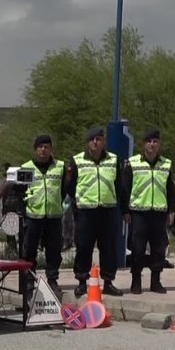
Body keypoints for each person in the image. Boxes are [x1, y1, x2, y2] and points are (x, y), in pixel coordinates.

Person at [64, 127, 126, 297]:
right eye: (92, 139)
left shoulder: (113, 160)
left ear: (103, 141)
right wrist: (78, 201)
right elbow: (69, 186)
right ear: (87, 142)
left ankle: (108, 282)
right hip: (86, 212)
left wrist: (122, 208)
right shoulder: (77, 160)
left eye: (98, 139)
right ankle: (82, 282)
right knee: (84, 247)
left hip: (107, 211)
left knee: (108, 247)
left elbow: (120, 185)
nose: (95, 142)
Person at [120, 129, 175, 294]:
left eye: (155, 142)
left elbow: (171, 190)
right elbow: (125, 189)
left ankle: (156, 281)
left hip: (159, 213)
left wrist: (171, 210)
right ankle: (136, 281)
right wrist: (125, 211)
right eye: (149, 142)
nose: (152, 145)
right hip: (139, 212)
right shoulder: (133, 164)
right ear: (143, 144)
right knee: (137, 248)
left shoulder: (166, 164)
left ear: (159, 145)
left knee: (159, 249)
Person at [17, 134, 66, 299]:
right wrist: (24, 213)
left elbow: (64, 189)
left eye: (46, 147)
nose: (43, 150)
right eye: (40, 147)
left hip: (53, 216)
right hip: (33, 217)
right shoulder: (26, 168)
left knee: (54, 251)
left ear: (51, 149)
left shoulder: (60, 166)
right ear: (35, 149)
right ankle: (29, 281)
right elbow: (19, 193)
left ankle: (52, 279)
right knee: (29, 250)